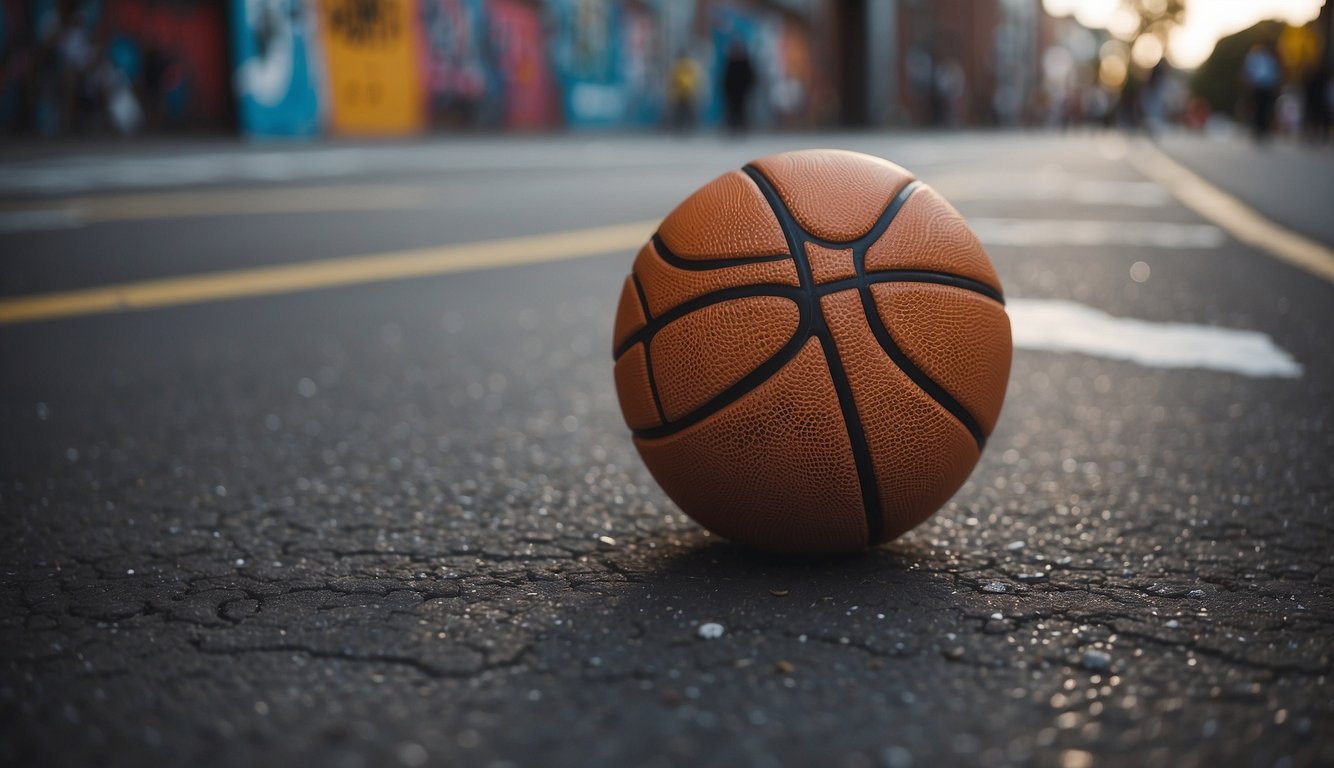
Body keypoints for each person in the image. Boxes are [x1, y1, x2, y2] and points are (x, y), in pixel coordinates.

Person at [1242, 42, 1281, 143]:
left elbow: (1275, 72)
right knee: (1257, 108)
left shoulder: (1271, 58)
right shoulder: (1254, 57)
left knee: (1266, 108)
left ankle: (1264, 129)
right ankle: (1257, 129)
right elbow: (1248, 71)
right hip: (1257, 85)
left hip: (1268, 86)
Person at [721, 39, 755, 136]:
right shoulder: (730, 61)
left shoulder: (745, 61)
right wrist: (726, 89)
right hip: (732, 92)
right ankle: (732, 129)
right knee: (732, 111)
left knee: (742, 111)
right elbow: (727, 77)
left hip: (742, 92)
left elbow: (750, 76)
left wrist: (748, 88)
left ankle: (742, 129)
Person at [667, 49, 701, 134]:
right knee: (685, 112)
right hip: (687, 92)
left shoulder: (677, 66)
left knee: (681, 112)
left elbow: (672, 80)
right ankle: (687, 128)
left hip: (681, 93)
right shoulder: (690, 65)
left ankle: (680, 128)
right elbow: (695, 80)